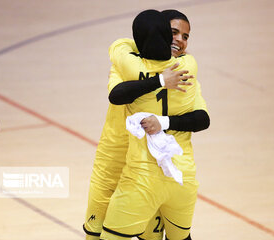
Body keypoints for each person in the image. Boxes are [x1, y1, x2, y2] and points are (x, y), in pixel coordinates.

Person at [83, 9, 209, 240]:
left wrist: (162, 121)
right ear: (158, 33)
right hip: (114, 160)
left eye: (186, 36)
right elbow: (118, 94)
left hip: (148, 165)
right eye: (173, 32)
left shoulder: (182, 71)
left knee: (148, 236)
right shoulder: (136, 64)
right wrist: (159, 80)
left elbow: (202, 119)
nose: (180, 40)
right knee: (95, 231)